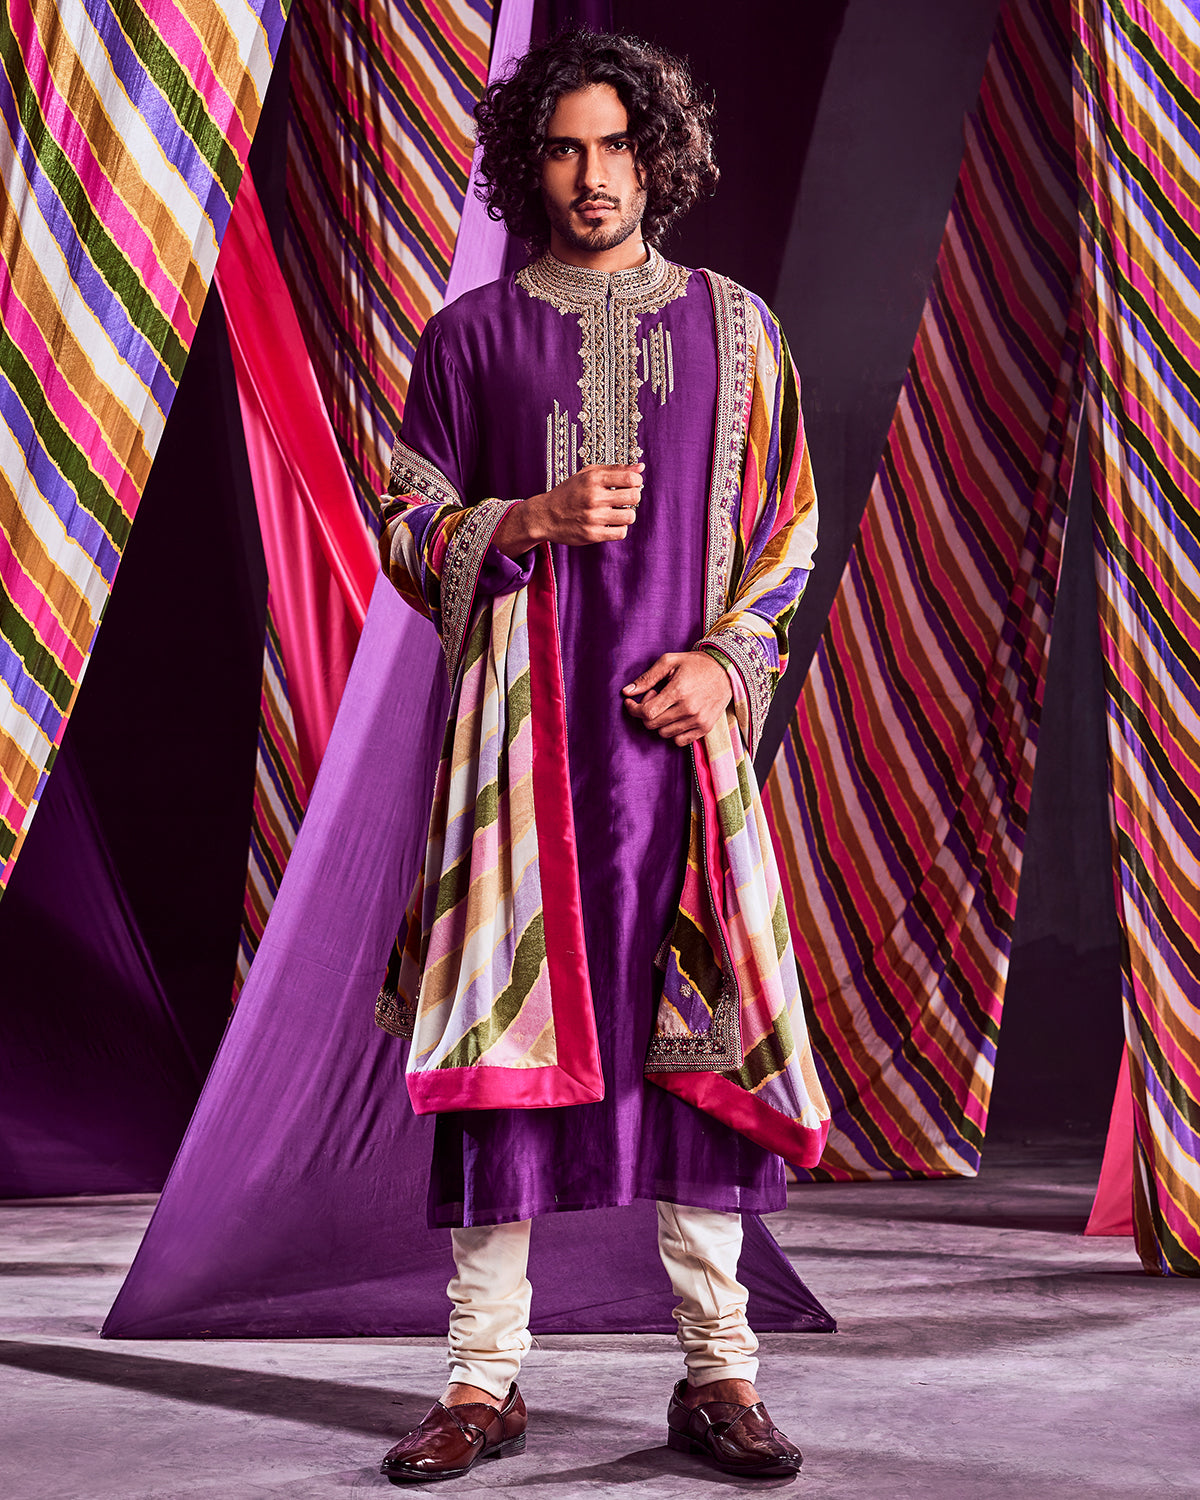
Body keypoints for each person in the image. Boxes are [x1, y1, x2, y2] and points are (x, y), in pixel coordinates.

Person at [374, 27, 828, 1483]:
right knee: (503, 1051)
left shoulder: (740, 332)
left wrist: (728, 663)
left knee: (696, 1058)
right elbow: (403, 525)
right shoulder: (470, 338)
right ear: (531, 165)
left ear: (659, 157)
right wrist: (523, 520)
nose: (592, 176)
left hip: (678, 763)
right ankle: (481, 1381)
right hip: (521, 770)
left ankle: (719, 1375)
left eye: (618, 146)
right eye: (564, 148)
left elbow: (789, 528)